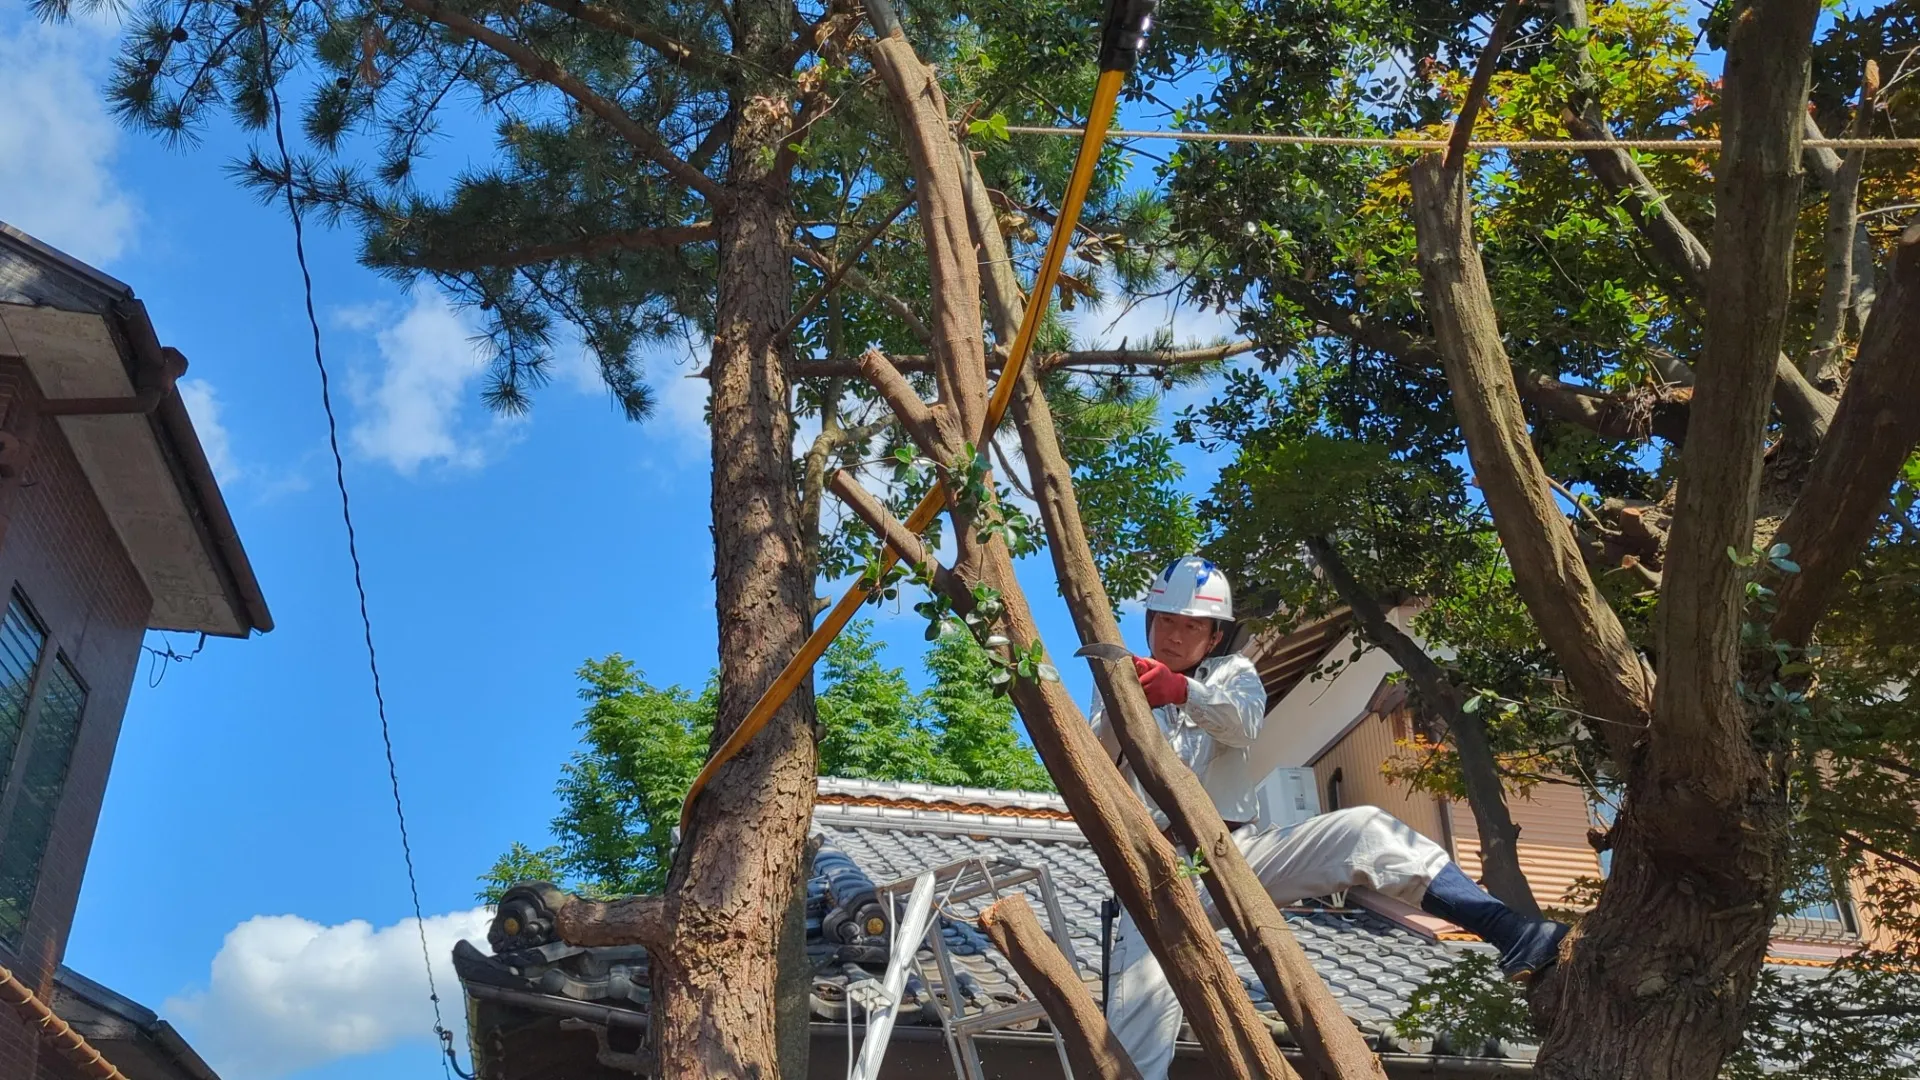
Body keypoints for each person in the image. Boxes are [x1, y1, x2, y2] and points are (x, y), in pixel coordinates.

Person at [1089, 555, 1569, 1079]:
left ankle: (1512, 929)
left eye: (1191, 626)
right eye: (1165, 622)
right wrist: (1125, 699)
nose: (1175, 637)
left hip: (1238, 851)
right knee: (1139, 1009)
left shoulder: (1234, 673)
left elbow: (1243, 725)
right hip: (1158, 873)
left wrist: (1182, 691)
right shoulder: (1116, 680)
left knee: (1363, 830)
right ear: (1148, 624)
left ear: (1215, 638)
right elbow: (1094, 763)